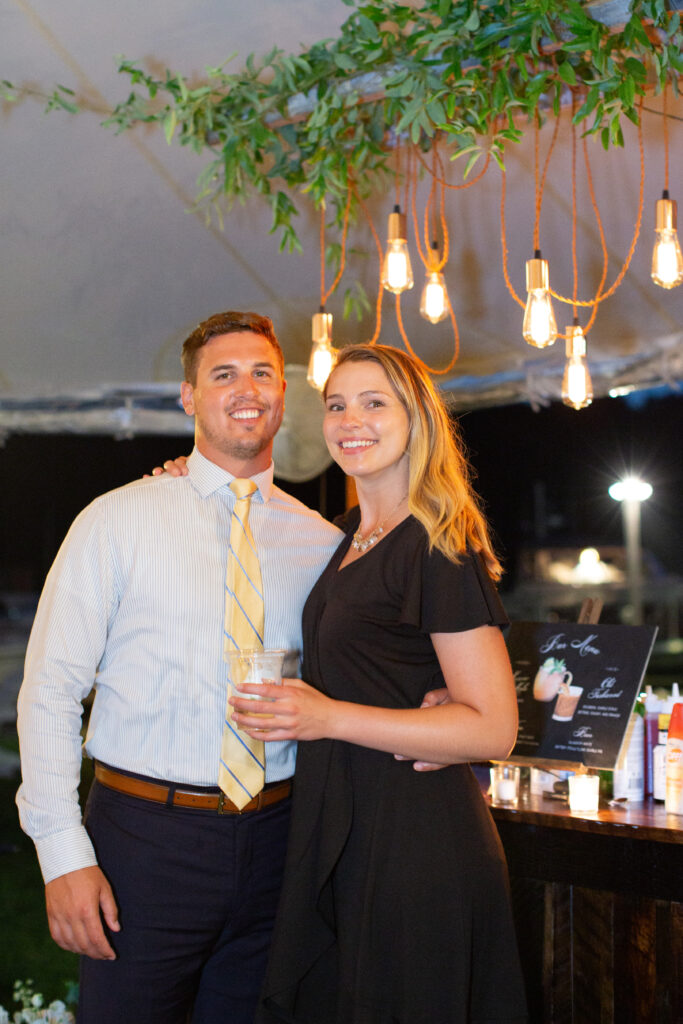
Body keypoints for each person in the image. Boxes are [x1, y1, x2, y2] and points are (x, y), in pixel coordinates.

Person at [16, 311, 344, 1024]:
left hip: (276, 842)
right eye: (222, 374)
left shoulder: (321, 543)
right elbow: (49, 692)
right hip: (143, 840)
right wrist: (63, 854)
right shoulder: (115, 520)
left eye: (262, 372)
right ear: (189, 397)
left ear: (284, 394)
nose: (246, 388)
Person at [229, 343, 528, 1023]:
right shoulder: (344, 538)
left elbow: (493, 728)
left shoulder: (435, 544)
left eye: (373, 402)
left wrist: (326, 717)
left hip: (417, 843)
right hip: (345, 828)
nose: (349, 420)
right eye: (336, 404)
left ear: (416, 418)